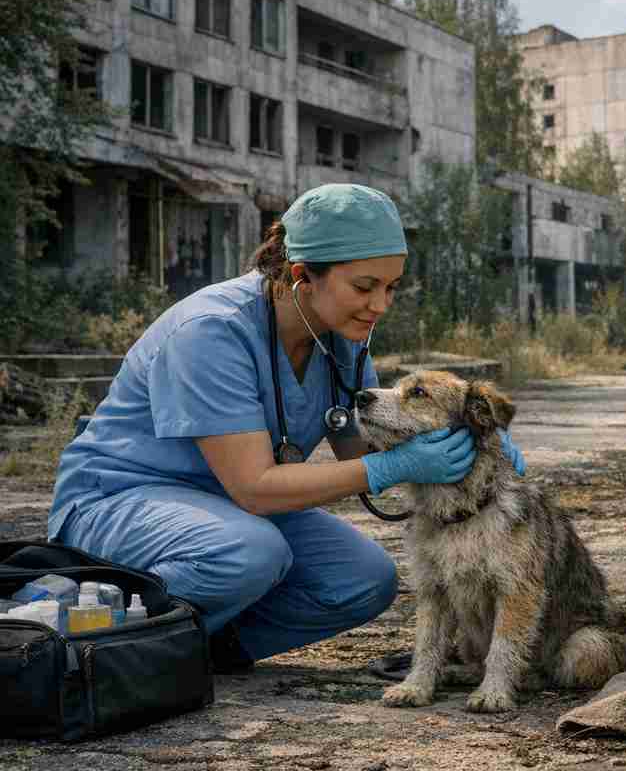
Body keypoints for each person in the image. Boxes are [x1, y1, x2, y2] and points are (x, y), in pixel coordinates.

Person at [49, 183, 525, 672]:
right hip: (121, 501)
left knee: (364, 579)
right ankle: (75, 635)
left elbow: (356, 451)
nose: (380, 305)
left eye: (391, 288)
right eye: (364, 287)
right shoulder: (212, 331)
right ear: (301, 276)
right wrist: (397, 465)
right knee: (251, 552)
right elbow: (256, 489)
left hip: (223, 509)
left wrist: (466, 431)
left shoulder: (342, 341)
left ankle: (196, 650)